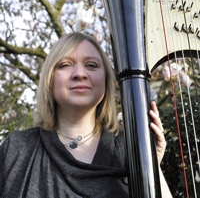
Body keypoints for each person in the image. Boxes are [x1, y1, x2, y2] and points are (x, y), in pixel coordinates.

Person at [0, 32, 172, 197]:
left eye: (91, 65)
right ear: (49, 79)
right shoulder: (16, 149)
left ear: (106, 80)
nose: (80, 74)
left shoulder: (130, 149)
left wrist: (150, 163)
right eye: (65, 65)